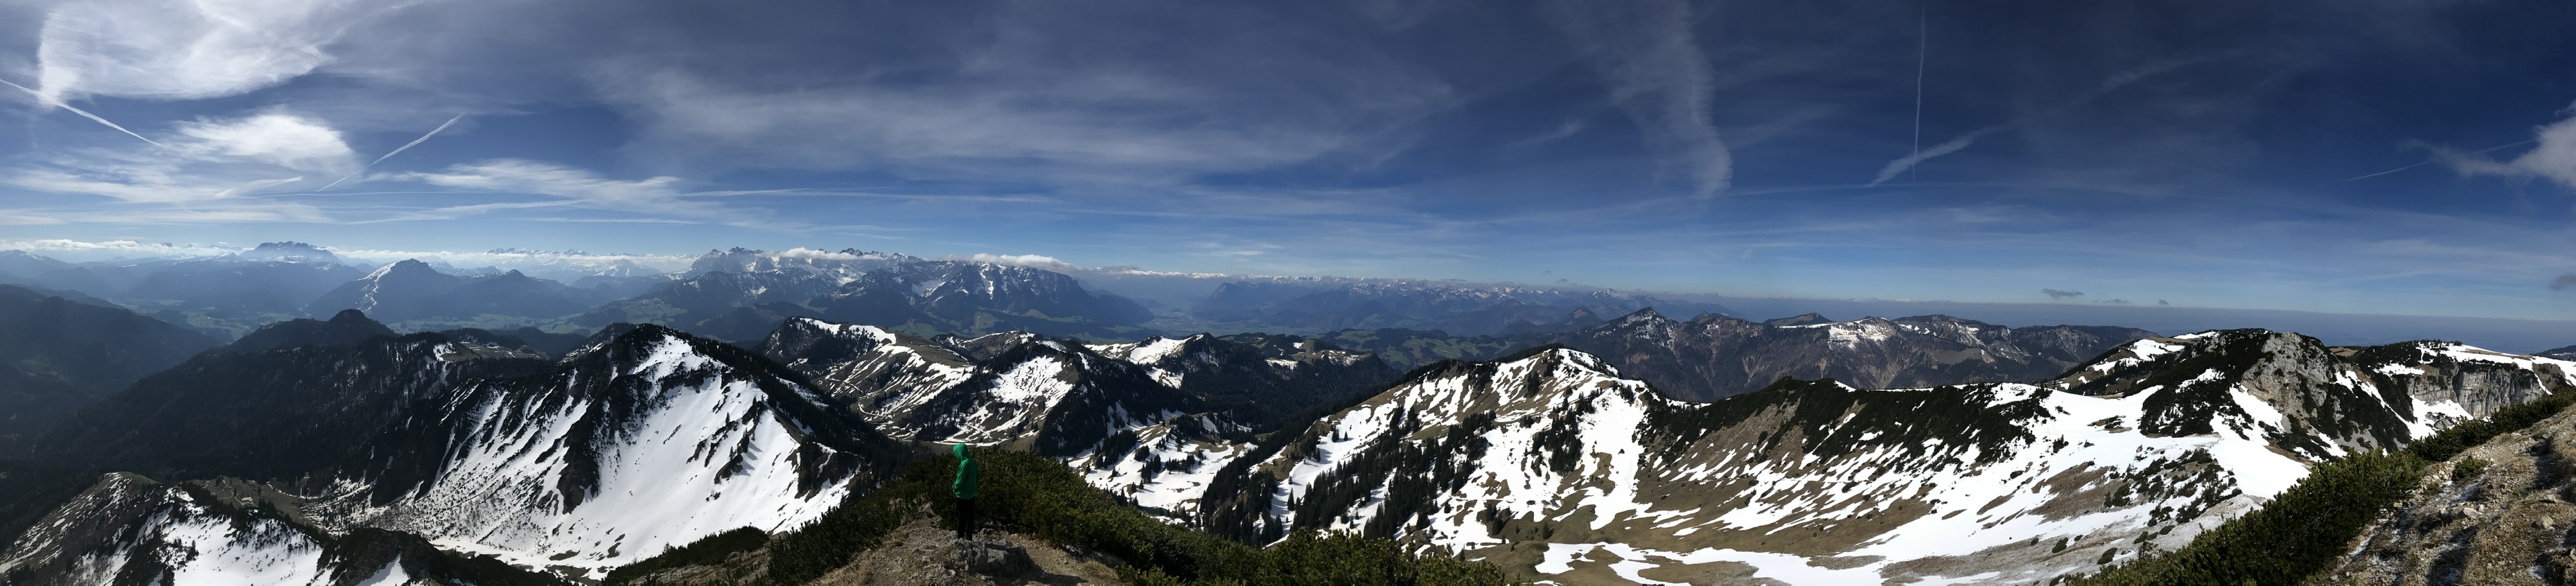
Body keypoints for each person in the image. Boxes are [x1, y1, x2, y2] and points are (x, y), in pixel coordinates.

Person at [953, 443, 980, 540]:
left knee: (961, 517)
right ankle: (969, 535)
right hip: (972, 494)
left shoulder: (964, 464)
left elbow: (960, 481)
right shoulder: (972, 461)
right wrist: (974, 485)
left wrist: (954, 487)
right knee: (970, 516)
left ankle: (960, 536)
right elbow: (978, 475)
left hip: (962, 495)